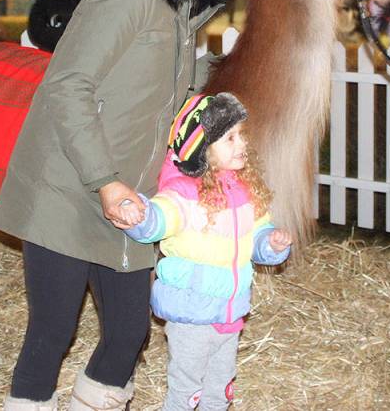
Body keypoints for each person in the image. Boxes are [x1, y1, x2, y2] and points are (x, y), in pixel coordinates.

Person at [0, 0, 232, 411]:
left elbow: (181, 91)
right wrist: (104, 179)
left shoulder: (184, 14)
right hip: (68, 187)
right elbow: (67, 84)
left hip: (129, 198)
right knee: (52, 333)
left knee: (128, 334)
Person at [122, 92, 292, 411]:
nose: (241, 144)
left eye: (241, 135)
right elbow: (160, 219)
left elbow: (257, 233)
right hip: (192, 312)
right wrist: (141, 215)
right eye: (229, 138)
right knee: (187, 392)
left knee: (221, 388)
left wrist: (271, 244)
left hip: (229, 310)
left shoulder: (243, 189)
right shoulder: (184, 193)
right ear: (204, 148)